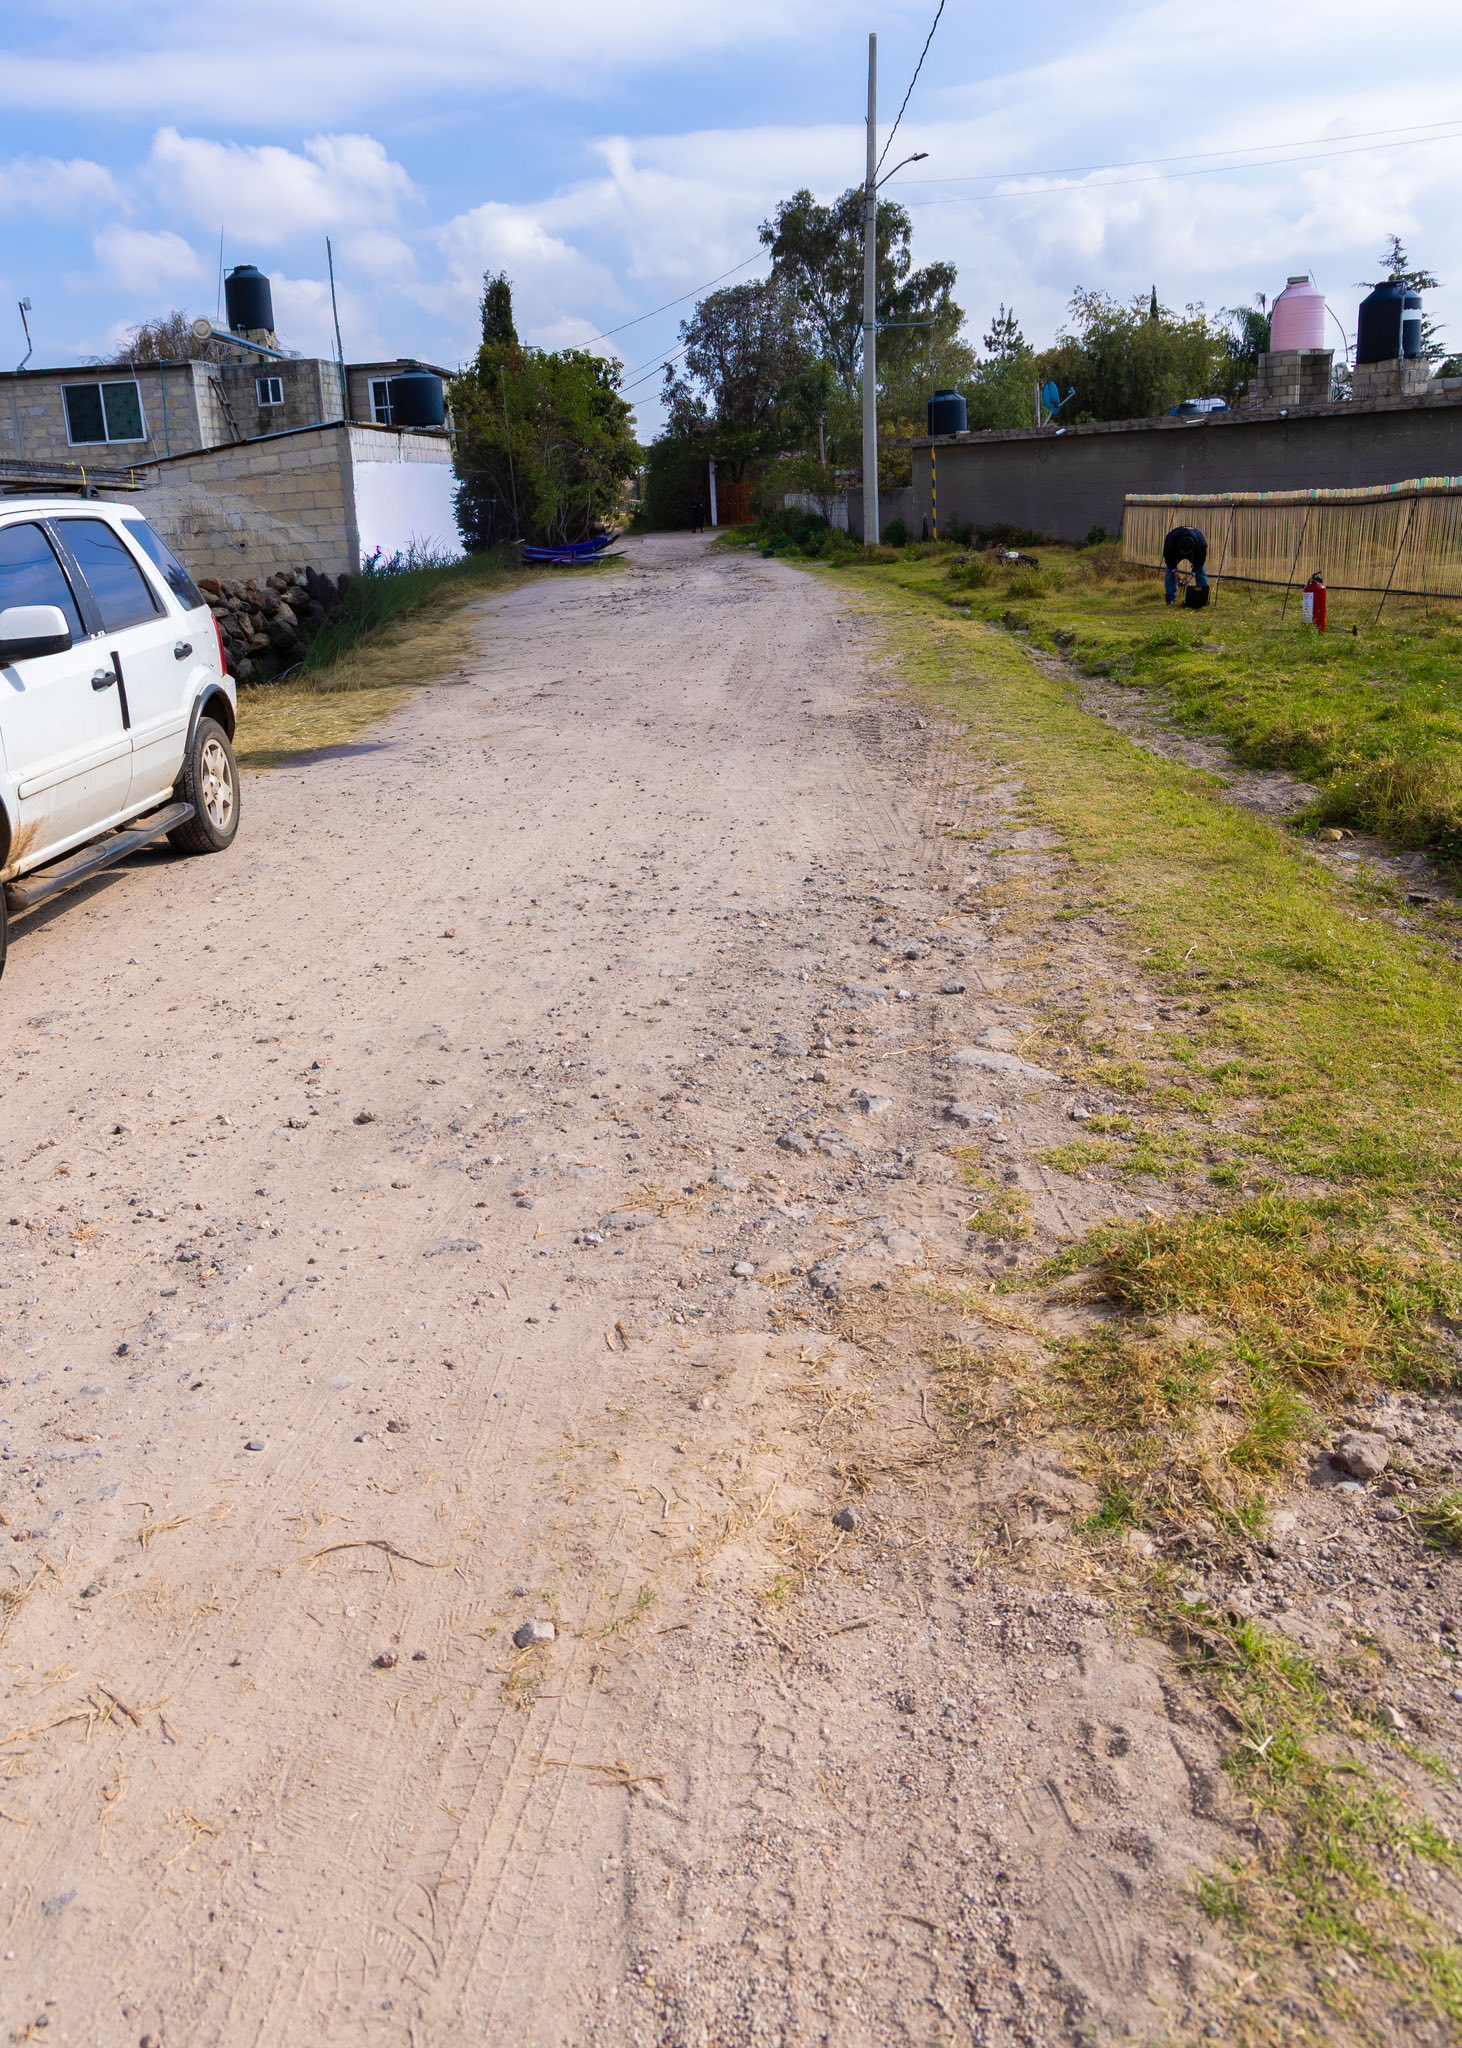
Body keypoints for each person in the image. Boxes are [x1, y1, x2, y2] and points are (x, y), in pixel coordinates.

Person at [1162, 524, 1209, 605]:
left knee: (1201, 571)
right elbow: (1168, 559)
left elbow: (1200, 562)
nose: (1185, 554)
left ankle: (1203, 597)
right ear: (1178, 545)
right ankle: (1170, 599)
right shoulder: (1170, 541)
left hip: (1194, 552)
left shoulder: (1201, 543)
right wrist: (1175, 572)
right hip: (1175, 552)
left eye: (1187, 552)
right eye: (1183, 552)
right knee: (1170, 572)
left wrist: (1191, 575)